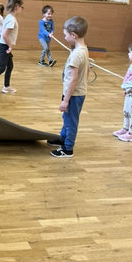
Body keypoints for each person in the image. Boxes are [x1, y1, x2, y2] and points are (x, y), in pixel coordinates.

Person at [47, 16, 89, 158]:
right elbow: (87, 71)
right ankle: (63, 138)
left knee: (71, 121)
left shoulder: (77, 55)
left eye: (65, 35)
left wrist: (65, 100)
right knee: (67, 117)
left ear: (73, 35)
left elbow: (73, 79)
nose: (64, 38)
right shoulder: (83, 49)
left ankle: (68, 148)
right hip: (75, 93)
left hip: (74, 94)